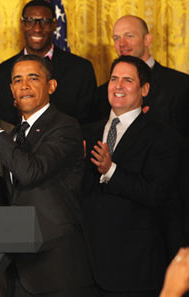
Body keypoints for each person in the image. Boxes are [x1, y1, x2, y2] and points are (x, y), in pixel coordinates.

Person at [0, 54, 97, 297]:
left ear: (51, 86)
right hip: (17, 268)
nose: (24, 86)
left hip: (57, 268)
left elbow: (30, 171)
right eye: (17, 80)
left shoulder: (64, 126)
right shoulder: (16, 134)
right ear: (11, 90)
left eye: (33, 78)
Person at [82, 56, 180, 297]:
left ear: (144, 89)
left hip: (134, 269)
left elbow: (158, 193)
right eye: (113, 79)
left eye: (127, 80)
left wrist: (111, 170)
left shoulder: (162, 136)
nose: (117, 86)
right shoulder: (86, 132)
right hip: (86, 267)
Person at [93, 15, 189, 252]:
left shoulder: (180, 85)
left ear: (148, 39)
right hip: (107, 223)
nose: (122, 43)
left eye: (129, 35)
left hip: (163, 215)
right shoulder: (102, 94)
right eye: (116, 38)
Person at [0, 0, 97, 125]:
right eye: (30, 21)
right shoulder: (0, 73)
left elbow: (90, 122)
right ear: (22, 24)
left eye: (45, 22)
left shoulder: (81, 69)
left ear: (54, 24)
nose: (37, 28)